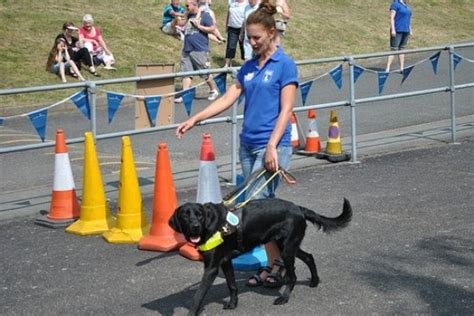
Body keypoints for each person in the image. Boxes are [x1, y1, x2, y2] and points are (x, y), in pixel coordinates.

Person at [176, 0, 298, 288]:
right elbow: (228, 98)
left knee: (259, 206)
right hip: (248, 144)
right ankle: (276, 264)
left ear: (270, 32)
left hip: (273, 146)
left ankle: (278, 265)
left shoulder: (285, 64)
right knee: (260, 207)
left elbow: (286, 110)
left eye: (256, 37)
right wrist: (197, 118)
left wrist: (272, 146)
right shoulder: (249, 68)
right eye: (248, 37)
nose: (251, 42)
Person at [174, 0, 219, 103]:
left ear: (194, 5)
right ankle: (185, 94)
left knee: (204, 72)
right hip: (187, 48)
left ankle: (213, 90)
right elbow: (180, 24)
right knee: (186, 73)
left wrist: (200, 27)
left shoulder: (205, 15)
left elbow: (213, 28)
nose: (185, 7)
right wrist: (185, 14)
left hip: (200, 49)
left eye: (187, 5)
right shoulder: (189, 15)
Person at [385, 0, 412, 72]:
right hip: (397, 30)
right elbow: (392, 18)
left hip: (405, 30)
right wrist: (393, 29)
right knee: (394, 49)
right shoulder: (395, 4)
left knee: (402, 49)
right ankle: (387, 68)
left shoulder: (407, 6)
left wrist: (410, 29)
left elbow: (408, 19)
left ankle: (401, 68)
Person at [223, 0, 247, 67]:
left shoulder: (247, 3)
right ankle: (227, 64)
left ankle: (246, 64)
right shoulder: (231, 2)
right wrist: (226, 25)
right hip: (232, 28)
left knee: (243, 47)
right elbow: (229, 13)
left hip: (243, 28)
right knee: (231, 46)